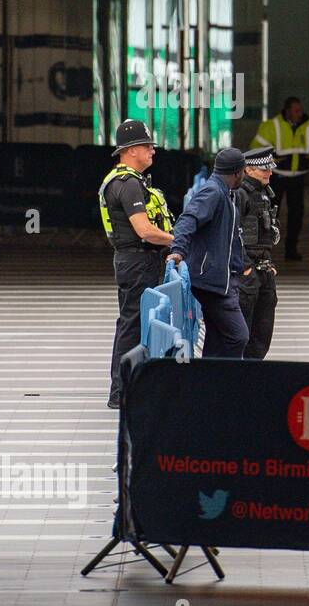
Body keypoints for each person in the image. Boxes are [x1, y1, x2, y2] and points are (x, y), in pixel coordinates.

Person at [100, 120, 174, 408]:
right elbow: (144, 230)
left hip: (137, 260)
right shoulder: (127, 184)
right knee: (132, 324)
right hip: (136, 259)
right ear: (131, 151)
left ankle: (129, 388)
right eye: (147, 146)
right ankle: (120, 392)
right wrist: (176, 240)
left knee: (135, 322)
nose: (153, 151)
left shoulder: (130, 180)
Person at [167, 148, 249, 359]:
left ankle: (210, 382)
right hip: (212, 282)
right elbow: (188, 219)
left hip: (220, 279)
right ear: (237, 172)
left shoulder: (226, 194)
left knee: (217, 335)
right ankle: (223, 382)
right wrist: (178, 250)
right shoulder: (213, 192)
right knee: (238, 335)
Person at [251, 96, 309, 261]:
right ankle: (266, 250)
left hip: (298, 177)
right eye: (296, 110)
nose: (299, 113)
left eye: (300, 110)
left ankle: (291, 250)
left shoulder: (306, 125)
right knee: (270, 214)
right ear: (287, 111)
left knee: (296, 214)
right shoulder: (272, 126)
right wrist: (273, 159)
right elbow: (256, 147)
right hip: (277, 177)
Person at [234, 147, 280, 360]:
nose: (269, 173)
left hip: (263, 271)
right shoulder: (239, 195)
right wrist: (245, 268)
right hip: (247, 275)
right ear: (249, 170)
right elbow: (231, 235)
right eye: (264, 170)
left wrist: (267, 263)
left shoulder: (264, 194)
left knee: (262, 334)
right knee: (244, 335)